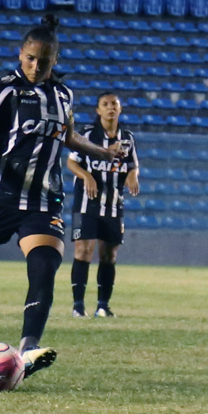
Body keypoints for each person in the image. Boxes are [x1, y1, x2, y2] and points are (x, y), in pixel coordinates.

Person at [0, 14, 124, 379]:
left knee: (45, 266)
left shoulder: (64, 95)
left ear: (54, 60)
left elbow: (68, 136)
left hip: (44, 200)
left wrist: (101, 152)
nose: (35, 66)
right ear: (21, 54)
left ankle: (28, 350)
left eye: (44, 61)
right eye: (30, 58)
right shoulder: (5, 90)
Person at [67, 92, 140, 319]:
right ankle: (78, 306)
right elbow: (71, 162)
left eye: (114, 104)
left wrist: (133, 176)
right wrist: (87, 177)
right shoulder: (88, 135)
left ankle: (103, 306)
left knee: (109, 255)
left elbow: (132, 165)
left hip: (114, 204)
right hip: (86, 204)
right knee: (83, 250)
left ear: (120, 109)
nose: (110, 108)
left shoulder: (127, 138)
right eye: (105, 105)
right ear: (98, 110)